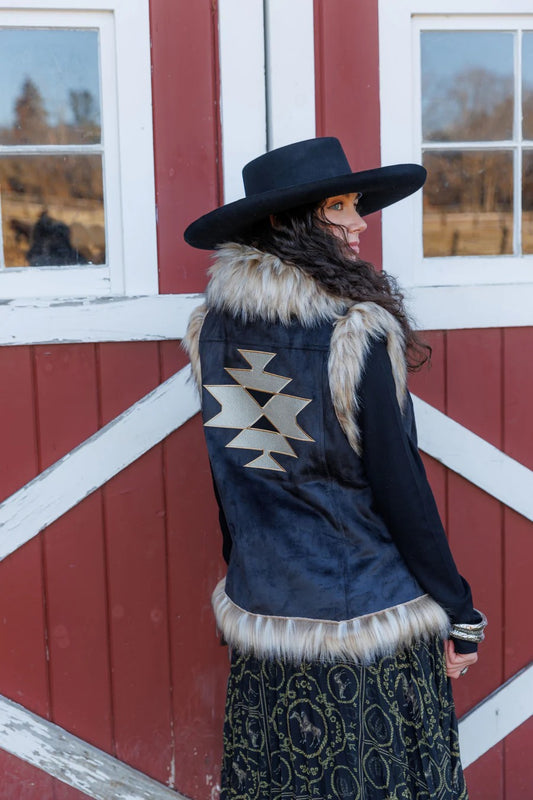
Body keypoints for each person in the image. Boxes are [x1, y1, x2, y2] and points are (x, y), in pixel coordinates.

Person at [183, 137, 486, 800]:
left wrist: (249, 573)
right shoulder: (353, 330)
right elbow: (400, 489)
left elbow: (233, 480)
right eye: (339, 207)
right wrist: (459, 611)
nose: (360, 222)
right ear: (284, 222)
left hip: (266, 616)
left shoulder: (214, 328)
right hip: (365, 627)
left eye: (355, 205)